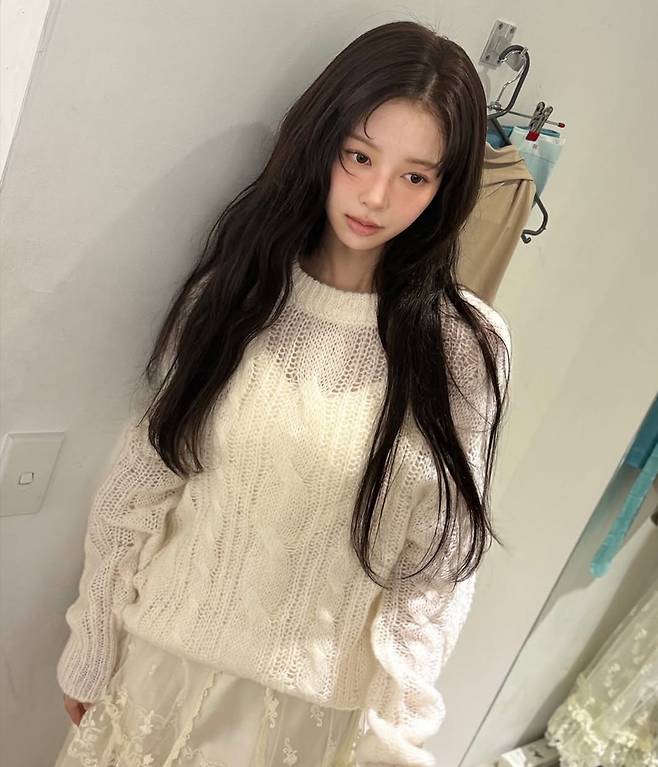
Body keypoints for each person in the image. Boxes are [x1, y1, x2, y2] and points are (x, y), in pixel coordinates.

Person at [54, 19, 512, 767]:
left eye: (415, 176)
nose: (375, 195)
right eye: (359, 156)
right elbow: (140, 486)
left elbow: (439, 563)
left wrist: (401, 726)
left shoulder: (464, 346)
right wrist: (92, 645)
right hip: (157, 677)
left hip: (311, 719)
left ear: (445, 188)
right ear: (322, 143)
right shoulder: (235, 295)